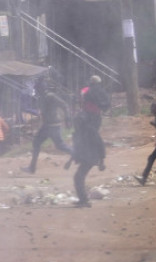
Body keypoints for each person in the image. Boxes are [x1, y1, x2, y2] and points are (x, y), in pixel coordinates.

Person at [70, 76, 110, 208]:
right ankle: (84, 200)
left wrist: (102, 161)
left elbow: (99, 143)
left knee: (78, 177)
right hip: (90, 156)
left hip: (90, 158)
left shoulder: (87, 130)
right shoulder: (84, 131)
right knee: (79, 177)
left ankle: (84, 201)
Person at [23, 81, 72, 174]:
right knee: (37, 143)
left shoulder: (50, 96)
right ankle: (32, 168)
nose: (36, 91)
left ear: (41, 89)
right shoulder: (42, 98)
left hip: (53, 125)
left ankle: (80, 155)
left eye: (37, 89)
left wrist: (68, 118)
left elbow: (64, 105)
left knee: (60, 145)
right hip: (47, 125)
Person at [138, 102, 156, 186]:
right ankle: (143, 179)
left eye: (153, 107)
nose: (151, 109)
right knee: (153, 159)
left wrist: (154, 124)